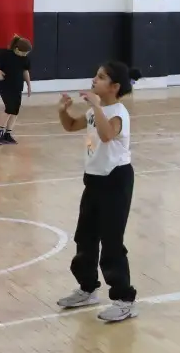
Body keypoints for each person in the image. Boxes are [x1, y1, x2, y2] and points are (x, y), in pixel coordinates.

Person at [54, 61, 138, 323]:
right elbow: (71, 126)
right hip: (94, 180)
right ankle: (87, 288)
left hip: (115, 180)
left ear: (114, 86)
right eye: (96, 75)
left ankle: (124, 300)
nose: (94, 79)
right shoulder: (95, 111)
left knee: (111, 241)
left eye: (101, 77)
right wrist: (63, 111)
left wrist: (96, 107)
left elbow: (106, 135)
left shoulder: (118, 113)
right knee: (85, 237)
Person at [0, 35, 33, 144]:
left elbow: (25, 71)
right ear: (17, 49)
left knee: (15, 110)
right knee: (9, 108)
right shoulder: (6, 54)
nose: (25, 55)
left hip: (18, 86)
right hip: (5, 86)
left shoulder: (25, 59)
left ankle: (8, 134)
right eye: (24, 52)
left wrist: (29, 85)